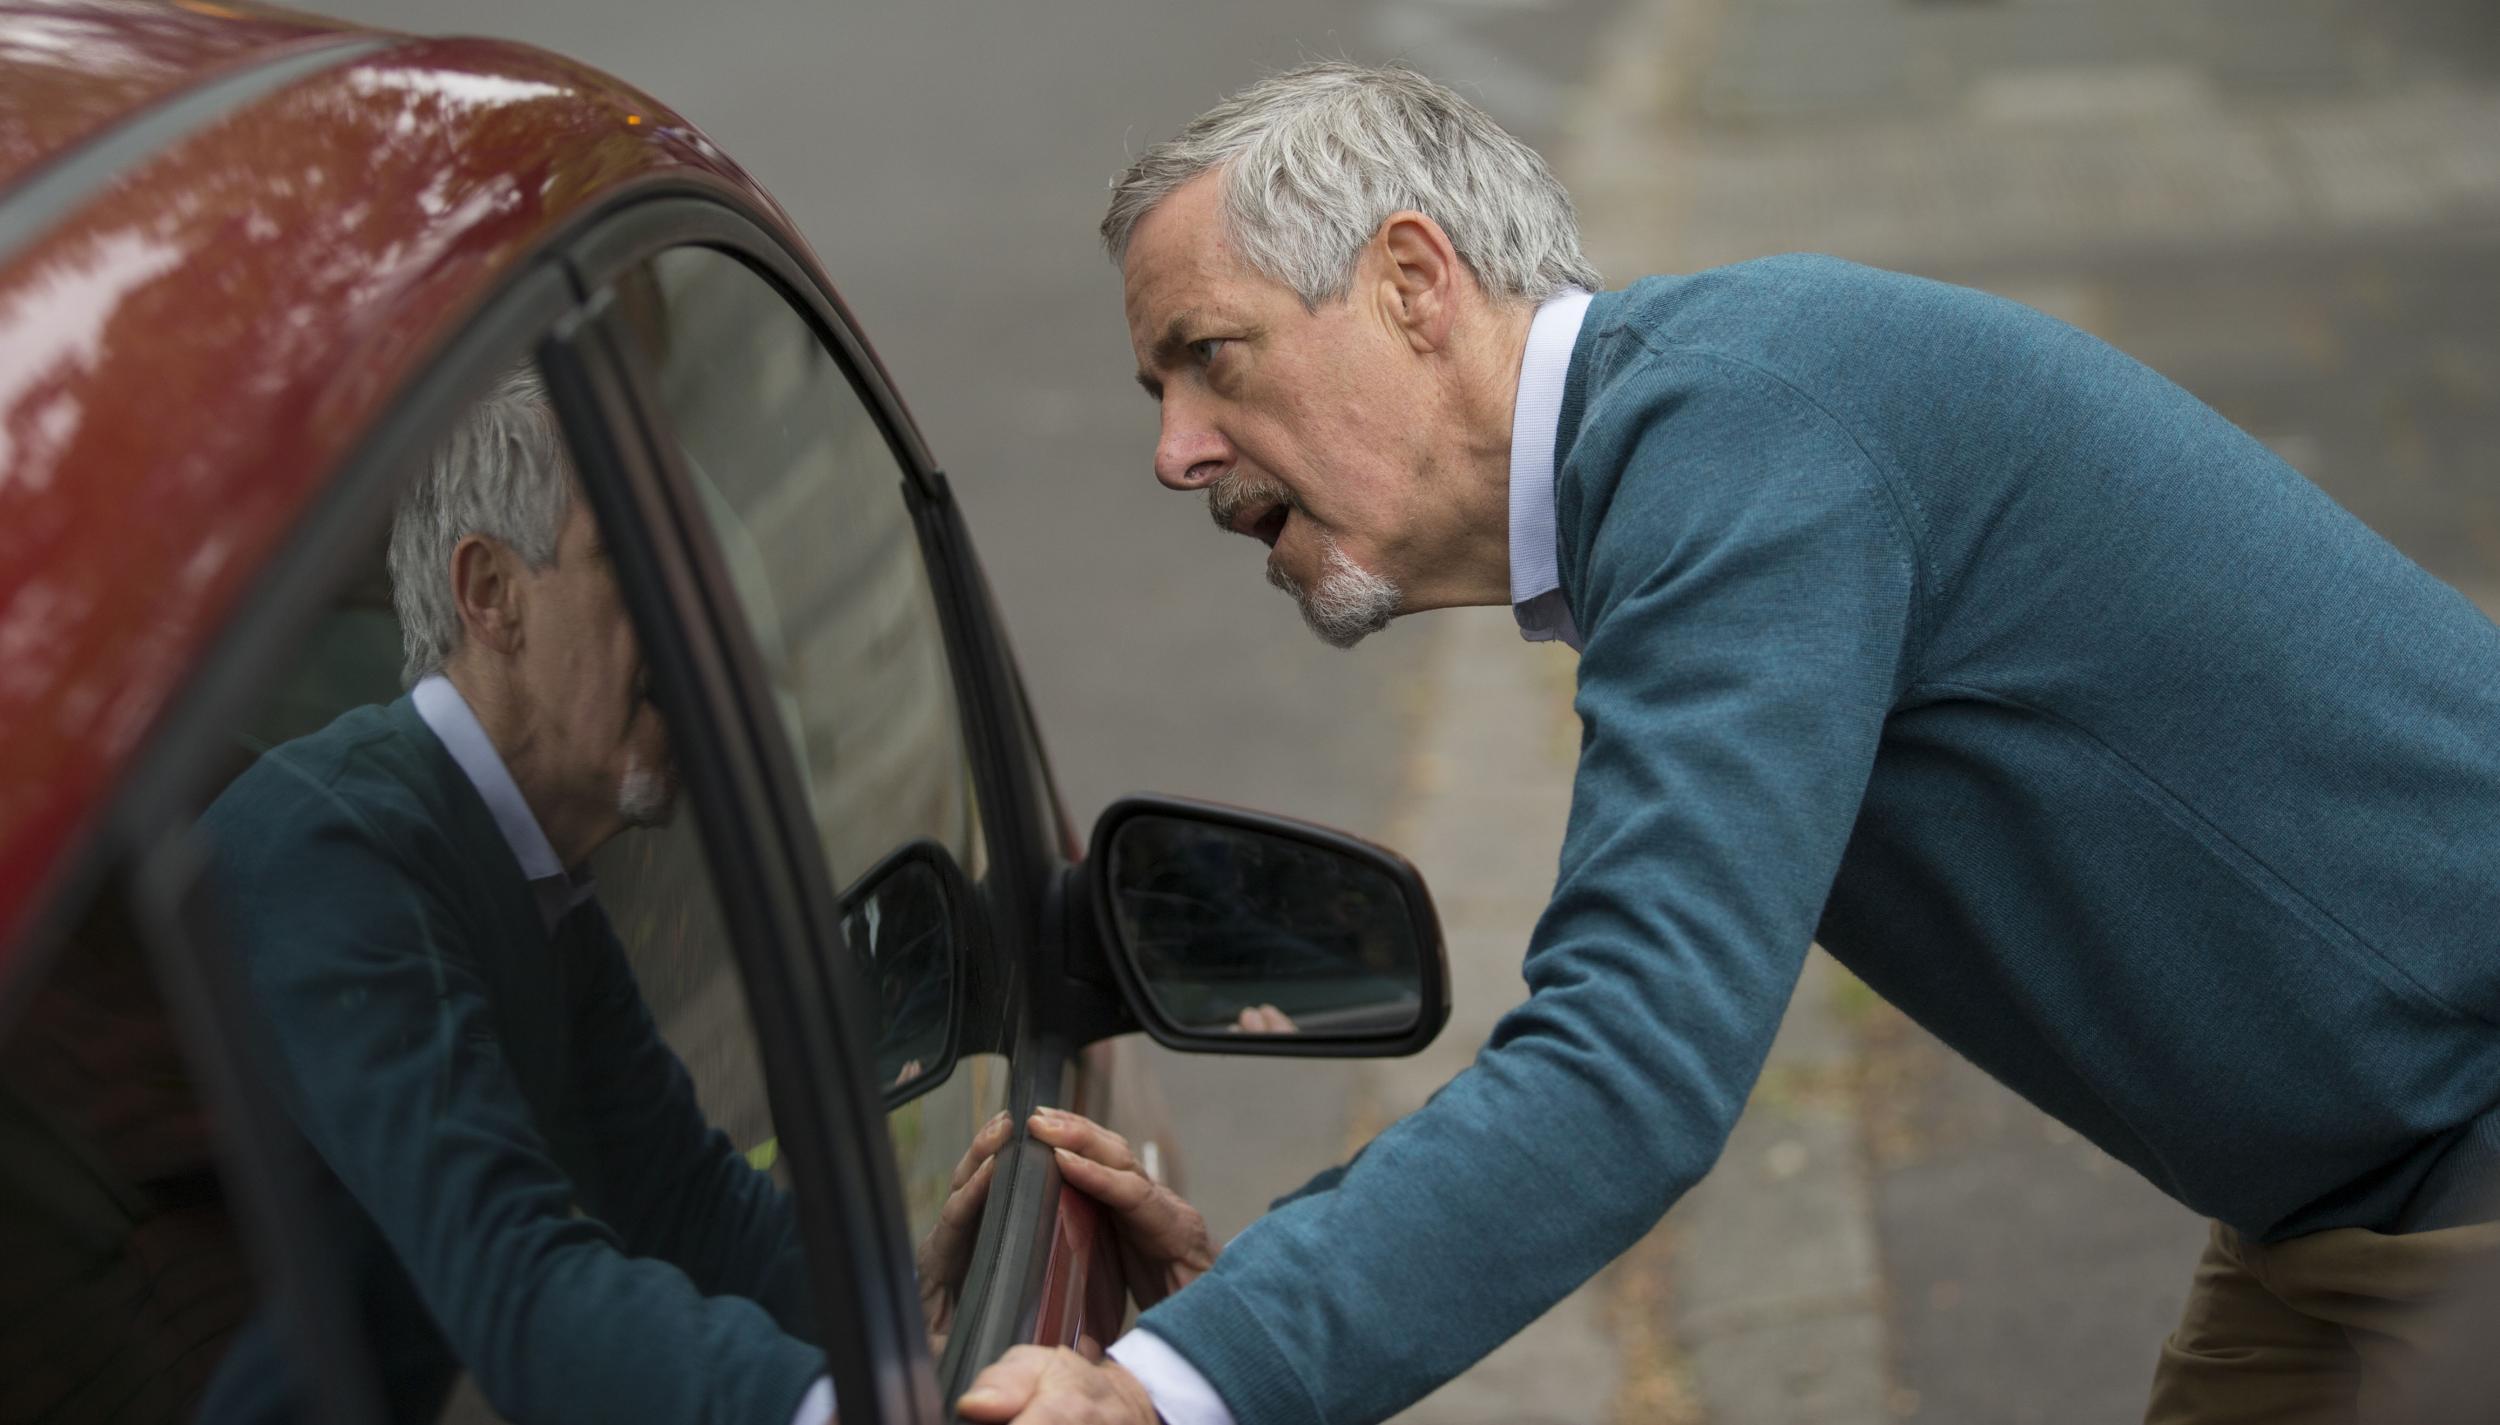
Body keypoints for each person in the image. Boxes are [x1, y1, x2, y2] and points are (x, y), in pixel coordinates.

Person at [958, 62, 2500, 1425]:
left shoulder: (1744, 441)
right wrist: (1236, 1332)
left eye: (1210, 356)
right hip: (2352, 1195)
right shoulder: (1700, 444)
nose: (1173, 451)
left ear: (1414, 286)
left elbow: (1634, 1058)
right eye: (1157, 390)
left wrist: (1177, 1386)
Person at [198, 366, 1208, 1425]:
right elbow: (516, 1283)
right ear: (490, 594)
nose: (696, 628)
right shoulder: (338, 845)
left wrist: (908, 1326)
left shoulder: (520, 867)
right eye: (633, 567)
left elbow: (684, 1200)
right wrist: (846, 1409)